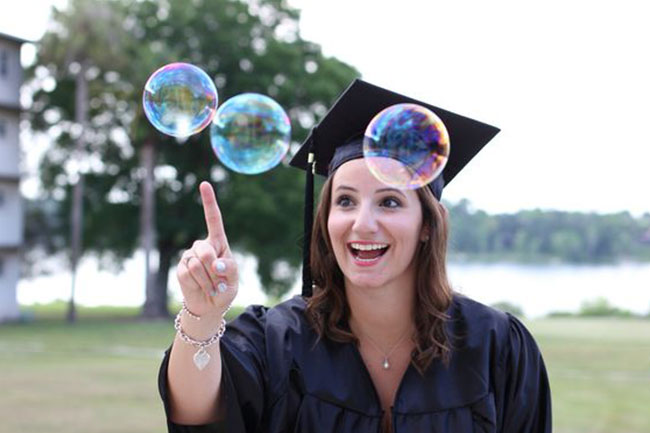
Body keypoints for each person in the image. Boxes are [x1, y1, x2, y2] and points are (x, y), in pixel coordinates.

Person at [158, 79, 553, 433]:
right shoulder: (278, 340)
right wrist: (203, 316)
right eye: (345, 200)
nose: (363, 223)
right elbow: (195, 414)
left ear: (429, 224)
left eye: (390, 202)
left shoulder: (495, 345)